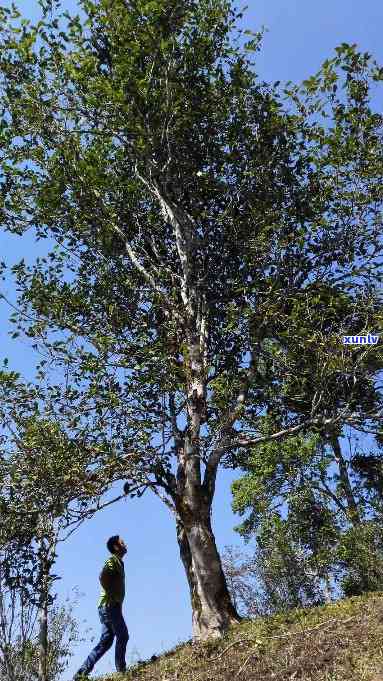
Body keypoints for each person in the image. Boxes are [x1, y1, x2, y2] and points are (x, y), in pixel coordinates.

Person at [74, 535, 129, 679]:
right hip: (110, 607)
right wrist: (111, 597)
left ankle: (81, 673)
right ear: (116, 547)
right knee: (122, 635)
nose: (125, 544)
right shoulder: (112, 561)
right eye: (122, 543)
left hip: (107, 607)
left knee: (106, 642)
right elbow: (102, 576)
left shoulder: (118, 562)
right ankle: (121, 671)